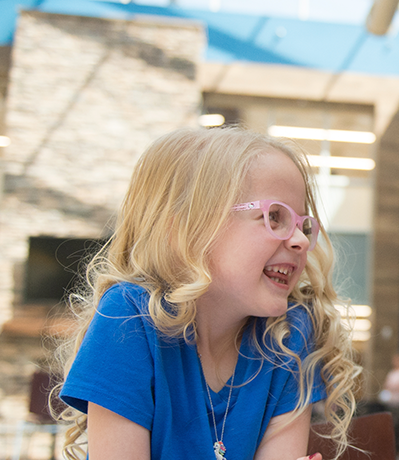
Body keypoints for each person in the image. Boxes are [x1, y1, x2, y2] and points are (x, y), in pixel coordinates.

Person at [52, 127, 362, 460]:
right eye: (274, 217)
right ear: (188, 231)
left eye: (303, 225)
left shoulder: (289, 335)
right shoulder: (128, 318)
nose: (300, 241)